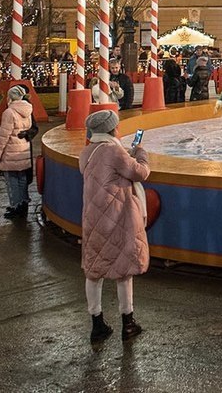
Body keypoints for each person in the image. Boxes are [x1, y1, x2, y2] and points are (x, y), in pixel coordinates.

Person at [80, 109, 150, 344]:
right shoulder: (115, 151)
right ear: (113, 129)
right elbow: (139, 173)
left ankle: (97, 324)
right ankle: (128, 324)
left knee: (94, 271)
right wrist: (140, 153)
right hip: (118, 219)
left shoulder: (87, 152)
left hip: (93, 219)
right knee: (123, 272)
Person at [0, 85, 36, 219]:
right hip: (23, 149)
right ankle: (23, 204)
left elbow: (3, 135)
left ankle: (15, 206)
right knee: (22, 179)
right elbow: (30, 128)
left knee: (11, 181)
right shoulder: (28, 110)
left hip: (11, 150)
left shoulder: (9, 112)